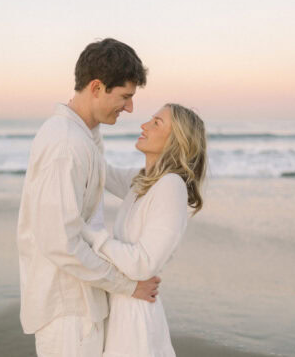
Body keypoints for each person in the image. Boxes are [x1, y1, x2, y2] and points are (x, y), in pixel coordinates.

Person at [16, 38, 161, 357]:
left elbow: (106, 176)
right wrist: (129, 286)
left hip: (82, 303)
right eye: (125, 96)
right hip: (68, 310)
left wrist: (167, 178)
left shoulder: (84, 135)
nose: (130, 108)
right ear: (97, 87)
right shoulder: (66, 145)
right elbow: (60, 243)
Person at [83, 103, 207, 357]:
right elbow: (98, 169)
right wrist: (88, 119)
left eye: (156, 123)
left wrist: (92, 235)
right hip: (121, 305)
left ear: (175, 140)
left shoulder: (171, 186)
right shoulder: (145, 181)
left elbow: (144, 264)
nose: (144, 126)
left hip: (135, 318)